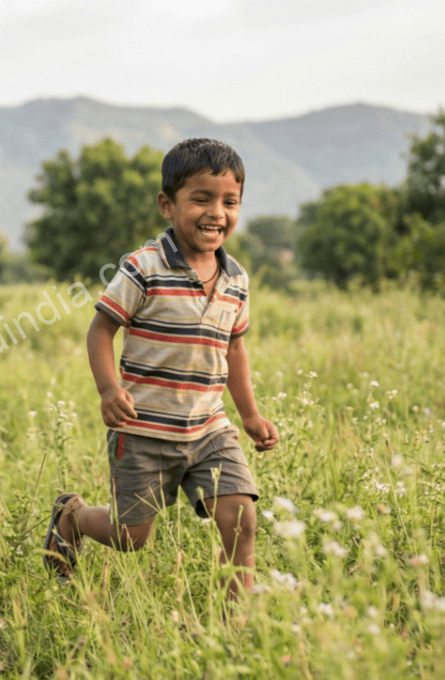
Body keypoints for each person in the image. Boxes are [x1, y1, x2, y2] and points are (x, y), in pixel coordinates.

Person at [43, 138, 279, 605]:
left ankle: (236, 628)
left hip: (210, 429)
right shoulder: (142, 267)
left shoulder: (237, 279)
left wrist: (249, 415)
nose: (217, 212)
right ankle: (72, 517)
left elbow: (234, 347)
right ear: (167, 205)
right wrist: (109, 389)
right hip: (144, 430)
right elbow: (99, 331)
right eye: (201, 199)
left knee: (241, 518)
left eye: (230, 202)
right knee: (131, 536)